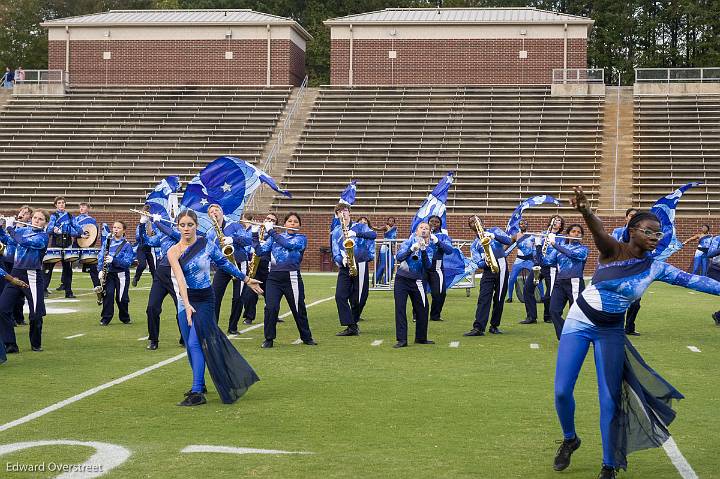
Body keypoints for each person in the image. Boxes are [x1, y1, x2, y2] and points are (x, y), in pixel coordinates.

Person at [553, 186, 720, 479]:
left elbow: (695, 280)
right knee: (562, 390)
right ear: (632, 231)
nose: (655, 237)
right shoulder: (612, 250)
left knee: (610, 399)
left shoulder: (656, 267)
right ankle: (570, 438)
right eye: (649, 231)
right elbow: (599, 230)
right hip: (579, 322)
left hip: (611, 332)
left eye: (658, 233)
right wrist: (586, 210)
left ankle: (609, 464)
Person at [167, 209, 262, 406]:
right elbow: (181, 280)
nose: (186, 229)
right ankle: (199, 384)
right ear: (178, 226)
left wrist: (246, 278)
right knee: (188, 343)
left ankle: (196, 392)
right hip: (185, 300)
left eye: (190, 225)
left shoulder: (206, 245)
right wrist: (186, 304)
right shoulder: (173, 251)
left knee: (195, 343)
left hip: (205, 300)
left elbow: (224, 264)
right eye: (182, 225)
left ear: (196, 226)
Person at [257, 212, 316, 348]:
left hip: (292, 277)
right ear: (284, 224)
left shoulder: (301, 238)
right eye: (289, 221)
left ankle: (306, 337)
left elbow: (288, 245)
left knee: (298, 308)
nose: (292, 223)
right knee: (271, 308)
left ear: (299, 225)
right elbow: (260, 251)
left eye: (295, 222)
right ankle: (269, 339)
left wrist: (271, 231)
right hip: (273, 278)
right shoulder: (275, 237)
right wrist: (255, 235)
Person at [0, 210, 50, 353]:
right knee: (2, 308)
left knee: (35, 313)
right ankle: (10, 344)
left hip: (32, 275)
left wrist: (10, 228)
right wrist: (1, 228)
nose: (36, 220)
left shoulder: (43, 236)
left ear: (45, 222)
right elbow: (9, 241)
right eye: (35, 217)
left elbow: (24, 242)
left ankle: (35, 343)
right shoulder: (23, 230)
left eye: (40, 219)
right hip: (16, 273)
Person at [205, 204, 253, 335]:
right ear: (209, 216)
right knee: (215, 296)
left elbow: (249, 240)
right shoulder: (210, 232)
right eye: (211, 212)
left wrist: (233, 239)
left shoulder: (235, 225)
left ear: (222, 212)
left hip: (239, 263)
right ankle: (213, 327)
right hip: (223, 266)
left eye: (216, 210)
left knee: (238, 298)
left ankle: (233, 327)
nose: (214, 213)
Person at [332, 204, 377, 336]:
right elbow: (335, 250)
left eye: (345, 210)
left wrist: (356, 233)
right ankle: (351, 325)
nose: (343, 213)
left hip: (360, 264)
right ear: (337, 215)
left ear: (349, 212)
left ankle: (353, 323)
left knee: (359, 298)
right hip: (345, 266)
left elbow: (373, 234)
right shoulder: (336, 231)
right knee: (340, 296)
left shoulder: (360, 226)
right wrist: (341, 260)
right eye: (339, 212)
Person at [464, 216, 513, 336]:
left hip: (501, 266)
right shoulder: (474, 245)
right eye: (471, 222)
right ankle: (478, 327)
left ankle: (494, 326)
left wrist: (494, 236)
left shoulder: (495, 230)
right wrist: (485, 261)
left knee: (500, 297)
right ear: (470, 226)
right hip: (487, 270)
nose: (474, 223)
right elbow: (477, 263)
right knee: (483, 298)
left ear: (482, 222)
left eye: (476, 220)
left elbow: (508, 240)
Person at [141, 214, 183, 350]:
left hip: (175, 274)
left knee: (181, 308)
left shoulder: (181, 236)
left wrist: (158, 223)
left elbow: (172, 233)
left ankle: (185, 337)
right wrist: (142, 224)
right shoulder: (162, 236)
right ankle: (153, 339)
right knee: (152, 308)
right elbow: (146, 241)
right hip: (160, 274)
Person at [393, 222, 434, 348]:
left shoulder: (430, 248)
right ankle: (402, 339)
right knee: (400, 308)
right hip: (402, 279)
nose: (424, 230)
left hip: (417, 281)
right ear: (417, 231)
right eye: (421, 228)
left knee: (423, 308)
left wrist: (423, 251)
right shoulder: (408, 242)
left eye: (426, 229)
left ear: (429, 233)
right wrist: (411, 249)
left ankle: (421, 338)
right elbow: (399, 257)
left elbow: (428, 266)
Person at [547, 224, 588, 339]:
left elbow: (571, 254)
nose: (576, 234)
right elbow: (547, 262)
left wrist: (554, 244)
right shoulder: (560, 248)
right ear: (568, 234)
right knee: (553, 311)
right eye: (573, 231)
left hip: (574, 282)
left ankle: (580, 335)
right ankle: (565, 335)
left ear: (581, 235)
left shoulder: (583, 249)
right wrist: (539, 246)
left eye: (578, 232)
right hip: (559, 283)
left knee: (576, 313)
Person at [241, 212, 278, 325]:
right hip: (254, 266)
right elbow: (247, 246)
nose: (269, 220)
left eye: (272, 220)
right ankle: (249, 316)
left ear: (275, 224)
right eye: (267, 218)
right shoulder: (255, 231)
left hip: (267, 267)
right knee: (249, 293)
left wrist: (261, 244)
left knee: (270, 294)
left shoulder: (274, 236)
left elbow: (269, 250)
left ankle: (273, 315)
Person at [44, 196, 83, 298]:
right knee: (49, 268)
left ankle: (68, 291)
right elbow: (48, 230)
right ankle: (43, 289)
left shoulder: (70, 216)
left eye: (63, 203)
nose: (61, 204)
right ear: (56, 205)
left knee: (67, 269)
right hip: (56, 243)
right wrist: (54, 230)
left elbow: (78, 230)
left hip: (67, 244)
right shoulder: (54, 216)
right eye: (59, 203)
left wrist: (78, 232)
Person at [97, 221, 135, 326]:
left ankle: (125, 317)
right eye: (114, 227)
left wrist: (114, 260)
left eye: (118, 228)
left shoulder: (127, 245)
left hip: (121, 275)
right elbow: (101, 256)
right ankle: (106, 318)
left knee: (121, 297)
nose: (115, 229)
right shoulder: (107, 242)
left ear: (123, 230)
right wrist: (100, 269)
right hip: (109, 274)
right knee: (108, 295)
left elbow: (127, 263)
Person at [612, 208, 641, 336]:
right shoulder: (618, 231)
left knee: (635, 304)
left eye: (635, 216)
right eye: (630, 216)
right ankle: (617, 327)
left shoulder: (642, 234)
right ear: (626, 218)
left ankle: (629, 327)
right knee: (620, 301)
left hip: (636, 271)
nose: (632, 218)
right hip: (620, 270)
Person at [0, 206, 31, 326]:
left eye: (27, 213)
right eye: (22, 212)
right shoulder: (12, 226)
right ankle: (10, 317)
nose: (23, 215)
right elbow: (5, 240)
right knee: (8, 290)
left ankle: (19, 316)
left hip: (20, 262)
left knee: (20, 292)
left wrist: (12, 228)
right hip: (7, 259)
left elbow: (16, 240)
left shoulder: (29, 229)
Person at [73, 202, 101, 288]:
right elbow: (72, 231)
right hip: (76, 243)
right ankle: (65, 284)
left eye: (83, 207)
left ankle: (97, 285)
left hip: (88, 244)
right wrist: (79, 235)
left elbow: (94, 233)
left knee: (92, 264)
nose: (81, 208)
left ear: (88, 209)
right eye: (80, 207)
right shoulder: (75, 219)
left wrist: (91, 242)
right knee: (67, 263)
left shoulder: (92, 220)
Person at [507, 219, 534, 304]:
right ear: (519, 225)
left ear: (527, 225)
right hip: (519, 261)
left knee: (537, 278)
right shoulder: (515, 236)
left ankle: (542, 297)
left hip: (529, 260)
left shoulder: (532, 236)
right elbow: (508, 245)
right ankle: (510, 297)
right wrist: (502, 253)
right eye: (521, 224)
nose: (523, 225)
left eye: (525, 224)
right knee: (511, 279)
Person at [132, 205, 156, 287]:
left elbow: (154, 237)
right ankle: (136, 277)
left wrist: (152, 234)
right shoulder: (140, 225)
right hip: (141, 248)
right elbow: (139, 237)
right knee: (142, 265)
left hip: (149, 249)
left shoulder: (151, 224)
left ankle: (156, 285)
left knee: (153, 269)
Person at [375, 216, 397, 285]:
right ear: (387, 221)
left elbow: (394, 239)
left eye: (392, 221)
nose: (391, 222)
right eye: (389, 221)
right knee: (382, 265)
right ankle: (375, 281)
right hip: (384, 247)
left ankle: (385, 281)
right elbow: (378, 229)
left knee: (391, 264)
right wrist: (371, 226)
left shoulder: (394, 229)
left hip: (390, 248)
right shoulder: (386, 227)